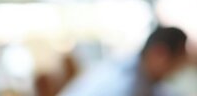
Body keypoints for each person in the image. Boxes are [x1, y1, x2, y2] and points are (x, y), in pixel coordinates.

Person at [60, 26, 188, 96]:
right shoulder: (122, 85)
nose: (180, 69)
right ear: (160, 54)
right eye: (179, 61)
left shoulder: (141, 74)